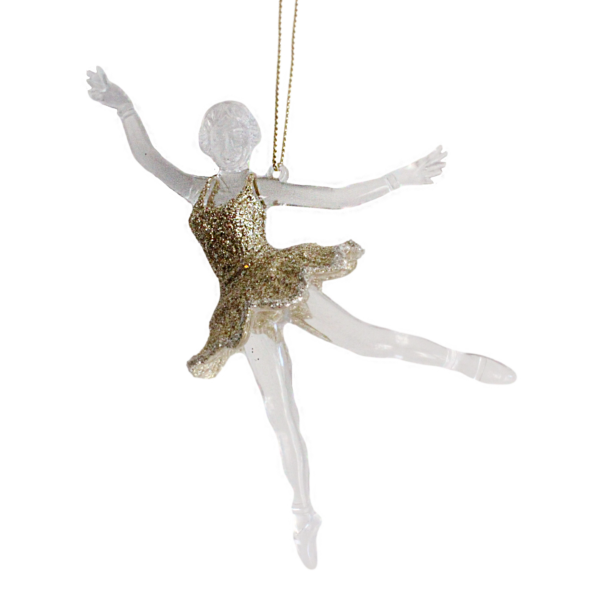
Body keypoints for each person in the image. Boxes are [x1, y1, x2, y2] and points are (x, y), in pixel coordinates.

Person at [84, 64, 518, 572]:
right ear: (204, 142)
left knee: (368, 341)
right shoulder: (192, 188)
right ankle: (303, 509)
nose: (230, 143)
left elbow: (335, 199)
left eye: (239, 133)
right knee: (279, 408)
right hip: (240, 307)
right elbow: (146, 156)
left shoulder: (261, 187)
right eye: (220, 134)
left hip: (278, 276)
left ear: (252, 139)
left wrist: (402, 178)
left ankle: (460, 361)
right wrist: (120, 103)